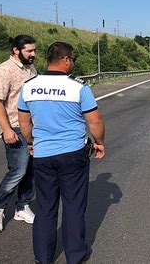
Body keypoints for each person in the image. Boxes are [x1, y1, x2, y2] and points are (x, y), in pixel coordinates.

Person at [18, 42, 106, 264]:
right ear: (66, 60)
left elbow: (24, 122)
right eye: (73, 59)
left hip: (43, 155)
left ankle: (43, 257)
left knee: (45, 207)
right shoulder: (78, 87)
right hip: (72, 154)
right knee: (73, 207)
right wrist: (100, 142)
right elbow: (94, 121)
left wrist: (31, 142)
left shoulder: (29, 86)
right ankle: (75, 256)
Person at [0, 35, 37, 232]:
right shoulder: (3, 70)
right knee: (18, 170)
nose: (33, 54)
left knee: (31, 170)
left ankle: (22, 207)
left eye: (34, 50)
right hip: (15, 127)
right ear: (16, 50)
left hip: (32, 127)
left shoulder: (31, 68)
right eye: (29, 51)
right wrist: (6, 129)